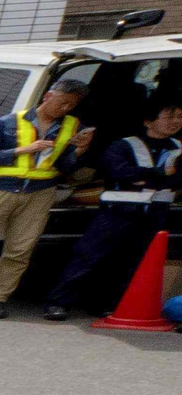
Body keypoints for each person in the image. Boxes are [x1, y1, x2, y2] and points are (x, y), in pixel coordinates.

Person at [0, 74, 89, 317]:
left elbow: (64, 167)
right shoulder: (8, 122)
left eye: (71, 105)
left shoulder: (72, 127)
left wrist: (79, 150)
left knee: (19, 250)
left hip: (39, 194)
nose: (65, 108)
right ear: (48, 96)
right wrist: (23, 149)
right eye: (62, 102)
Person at [48, 93, 181, 320]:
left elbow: (175, 180)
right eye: (168, 116)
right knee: (89, 256)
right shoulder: (124, 145)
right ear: (148, 121)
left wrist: (146, 178)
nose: (175, 121)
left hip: (155, 215)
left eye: (179, 117)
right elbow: (122, 172)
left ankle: (105, 304)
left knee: (131, 261)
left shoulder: (178, 148)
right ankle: (59, 303)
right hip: (118, 211)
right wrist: (161, 175)